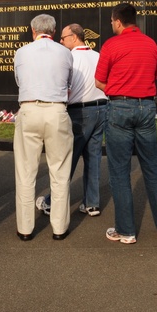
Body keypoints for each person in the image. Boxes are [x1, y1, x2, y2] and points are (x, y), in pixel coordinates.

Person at [96, 2, 157, 244]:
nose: (111, 25)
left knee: (119, 171)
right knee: (153, 167)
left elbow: (99, 82)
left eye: (111, 21)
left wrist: (118, 89)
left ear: (118, 21)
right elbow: (154, 77)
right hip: (146, 106)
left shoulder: (111, 44)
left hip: (119, 106)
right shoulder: (151, 44)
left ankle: (126, 231)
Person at [12, 14, 73, 241]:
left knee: (26, 172)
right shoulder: (65, 52)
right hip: (57, 110)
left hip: (29, 109)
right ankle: (59, 228)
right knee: (60, 171)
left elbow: (19, 80)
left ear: (32, 31)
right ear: (54, 32)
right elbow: (69, 83)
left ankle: (25, 228)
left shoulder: (21, 52)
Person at [36, 23, 106, 217]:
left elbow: (64, 87)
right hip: (101, 107)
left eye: (64, 38)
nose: (61, 41)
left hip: (80, 112)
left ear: (74, 38)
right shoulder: (97, 55)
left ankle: (51, 202)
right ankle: (91, 203)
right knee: (93, 158)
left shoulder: (69, 57)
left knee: (68, 159)